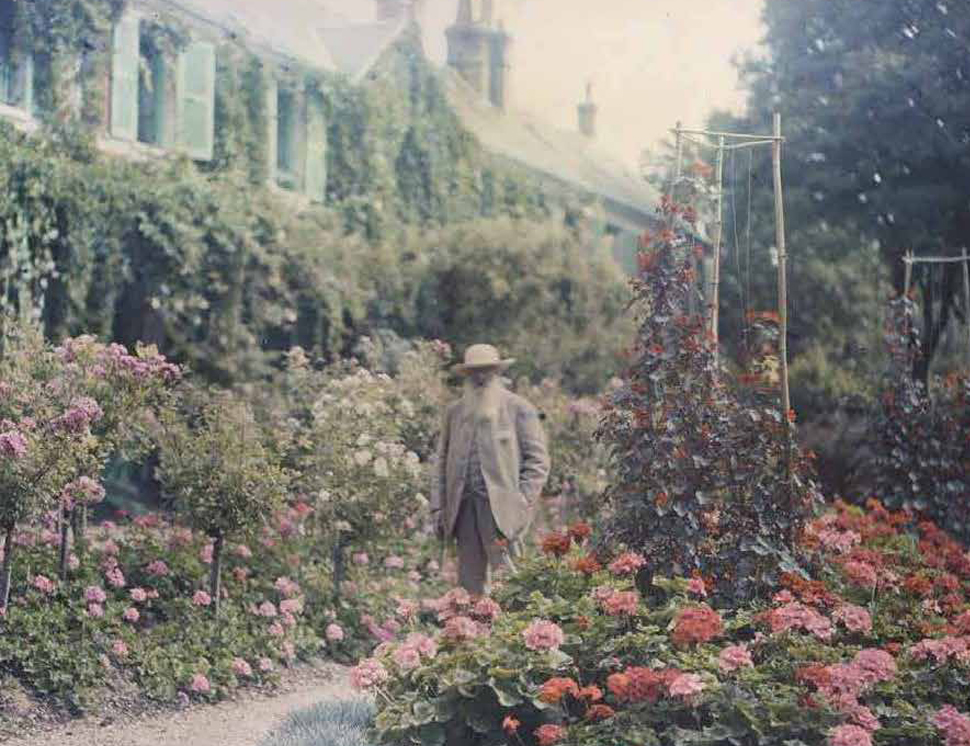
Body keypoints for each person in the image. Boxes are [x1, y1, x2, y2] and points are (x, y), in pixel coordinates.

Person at [430, 343, 550, 595]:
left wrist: (521, 501)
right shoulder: (454, 413)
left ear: (497, 373)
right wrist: (438, 507)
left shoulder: (519, 408)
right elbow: (440, 464)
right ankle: (473, 633)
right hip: (463, 510)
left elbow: (538, 462)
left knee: (512, 585)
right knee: (468, 588)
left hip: (503, 513)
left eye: (486, 371)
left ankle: (518, 635)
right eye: (475, 371)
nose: (481, 377)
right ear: (467, 375)